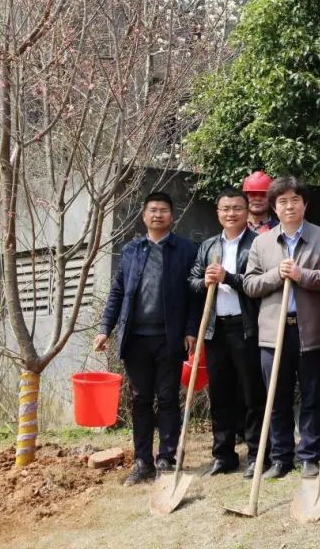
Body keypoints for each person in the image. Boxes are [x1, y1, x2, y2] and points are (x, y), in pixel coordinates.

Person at [94, 192, 199, 486]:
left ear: (172, 216)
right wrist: (104, 328)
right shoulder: (131, 251)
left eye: (163, 210)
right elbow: (117, 292)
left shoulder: (186, 250)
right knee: (140, 399)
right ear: (144, 216)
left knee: (167, 398)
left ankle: (167, 457)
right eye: (153, 210)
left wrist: (191, 329)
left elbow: (195, 295)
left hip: (169, 338)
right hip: (136, 339)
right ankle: (142, 461)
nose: (158, 215)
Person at [242, 177, 320, 479]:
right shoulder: (261, 242)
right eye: (282, 201)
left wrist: (301, 274)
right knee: (276, 397)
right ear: (274, 207)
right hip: (274, 332)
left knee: (312, 396)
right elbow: (249, 284)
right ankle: (281, 457)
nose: (289, 206)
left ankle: (309, 455)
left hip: (311, 330)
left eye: (295, 200)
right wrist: (276, 275)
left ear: (305, 204)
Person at [187, 188, 267, 478]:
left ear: (247, 211)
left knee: (252, 392)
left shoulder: (258, 243)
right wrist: (204, 281)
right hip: (215, 329)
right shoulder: (208, 246)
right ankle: (223, 455)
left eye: (236, 208)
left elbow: (260, 283)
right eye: (225, 208)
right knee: (220, 393)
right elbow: (192, 280)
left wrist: (229, 278)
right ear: (217, 212)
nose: (231, 213)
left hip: (247, 326)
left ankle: (257, 453)